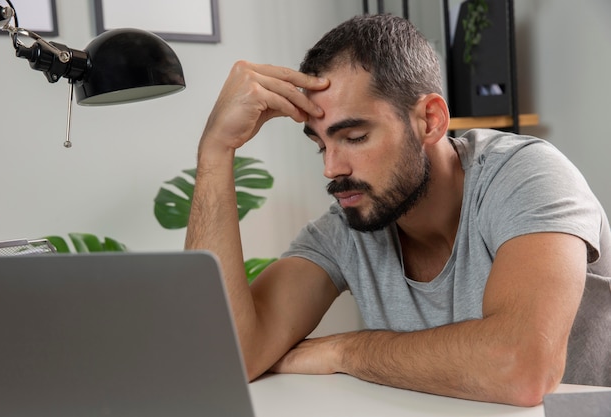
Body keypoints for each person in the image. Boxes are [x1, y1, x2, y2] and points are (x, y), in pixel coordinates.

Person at [185, 14, 611, 406]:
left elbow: (520, 367)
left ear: (430, 120)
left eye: (353, 137)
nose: (332, 168)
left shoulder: (527, 176)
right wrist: (215, 153)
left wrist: (346, 350)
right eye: (320, 144)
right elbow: (225, 360)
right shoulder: (348, 226)